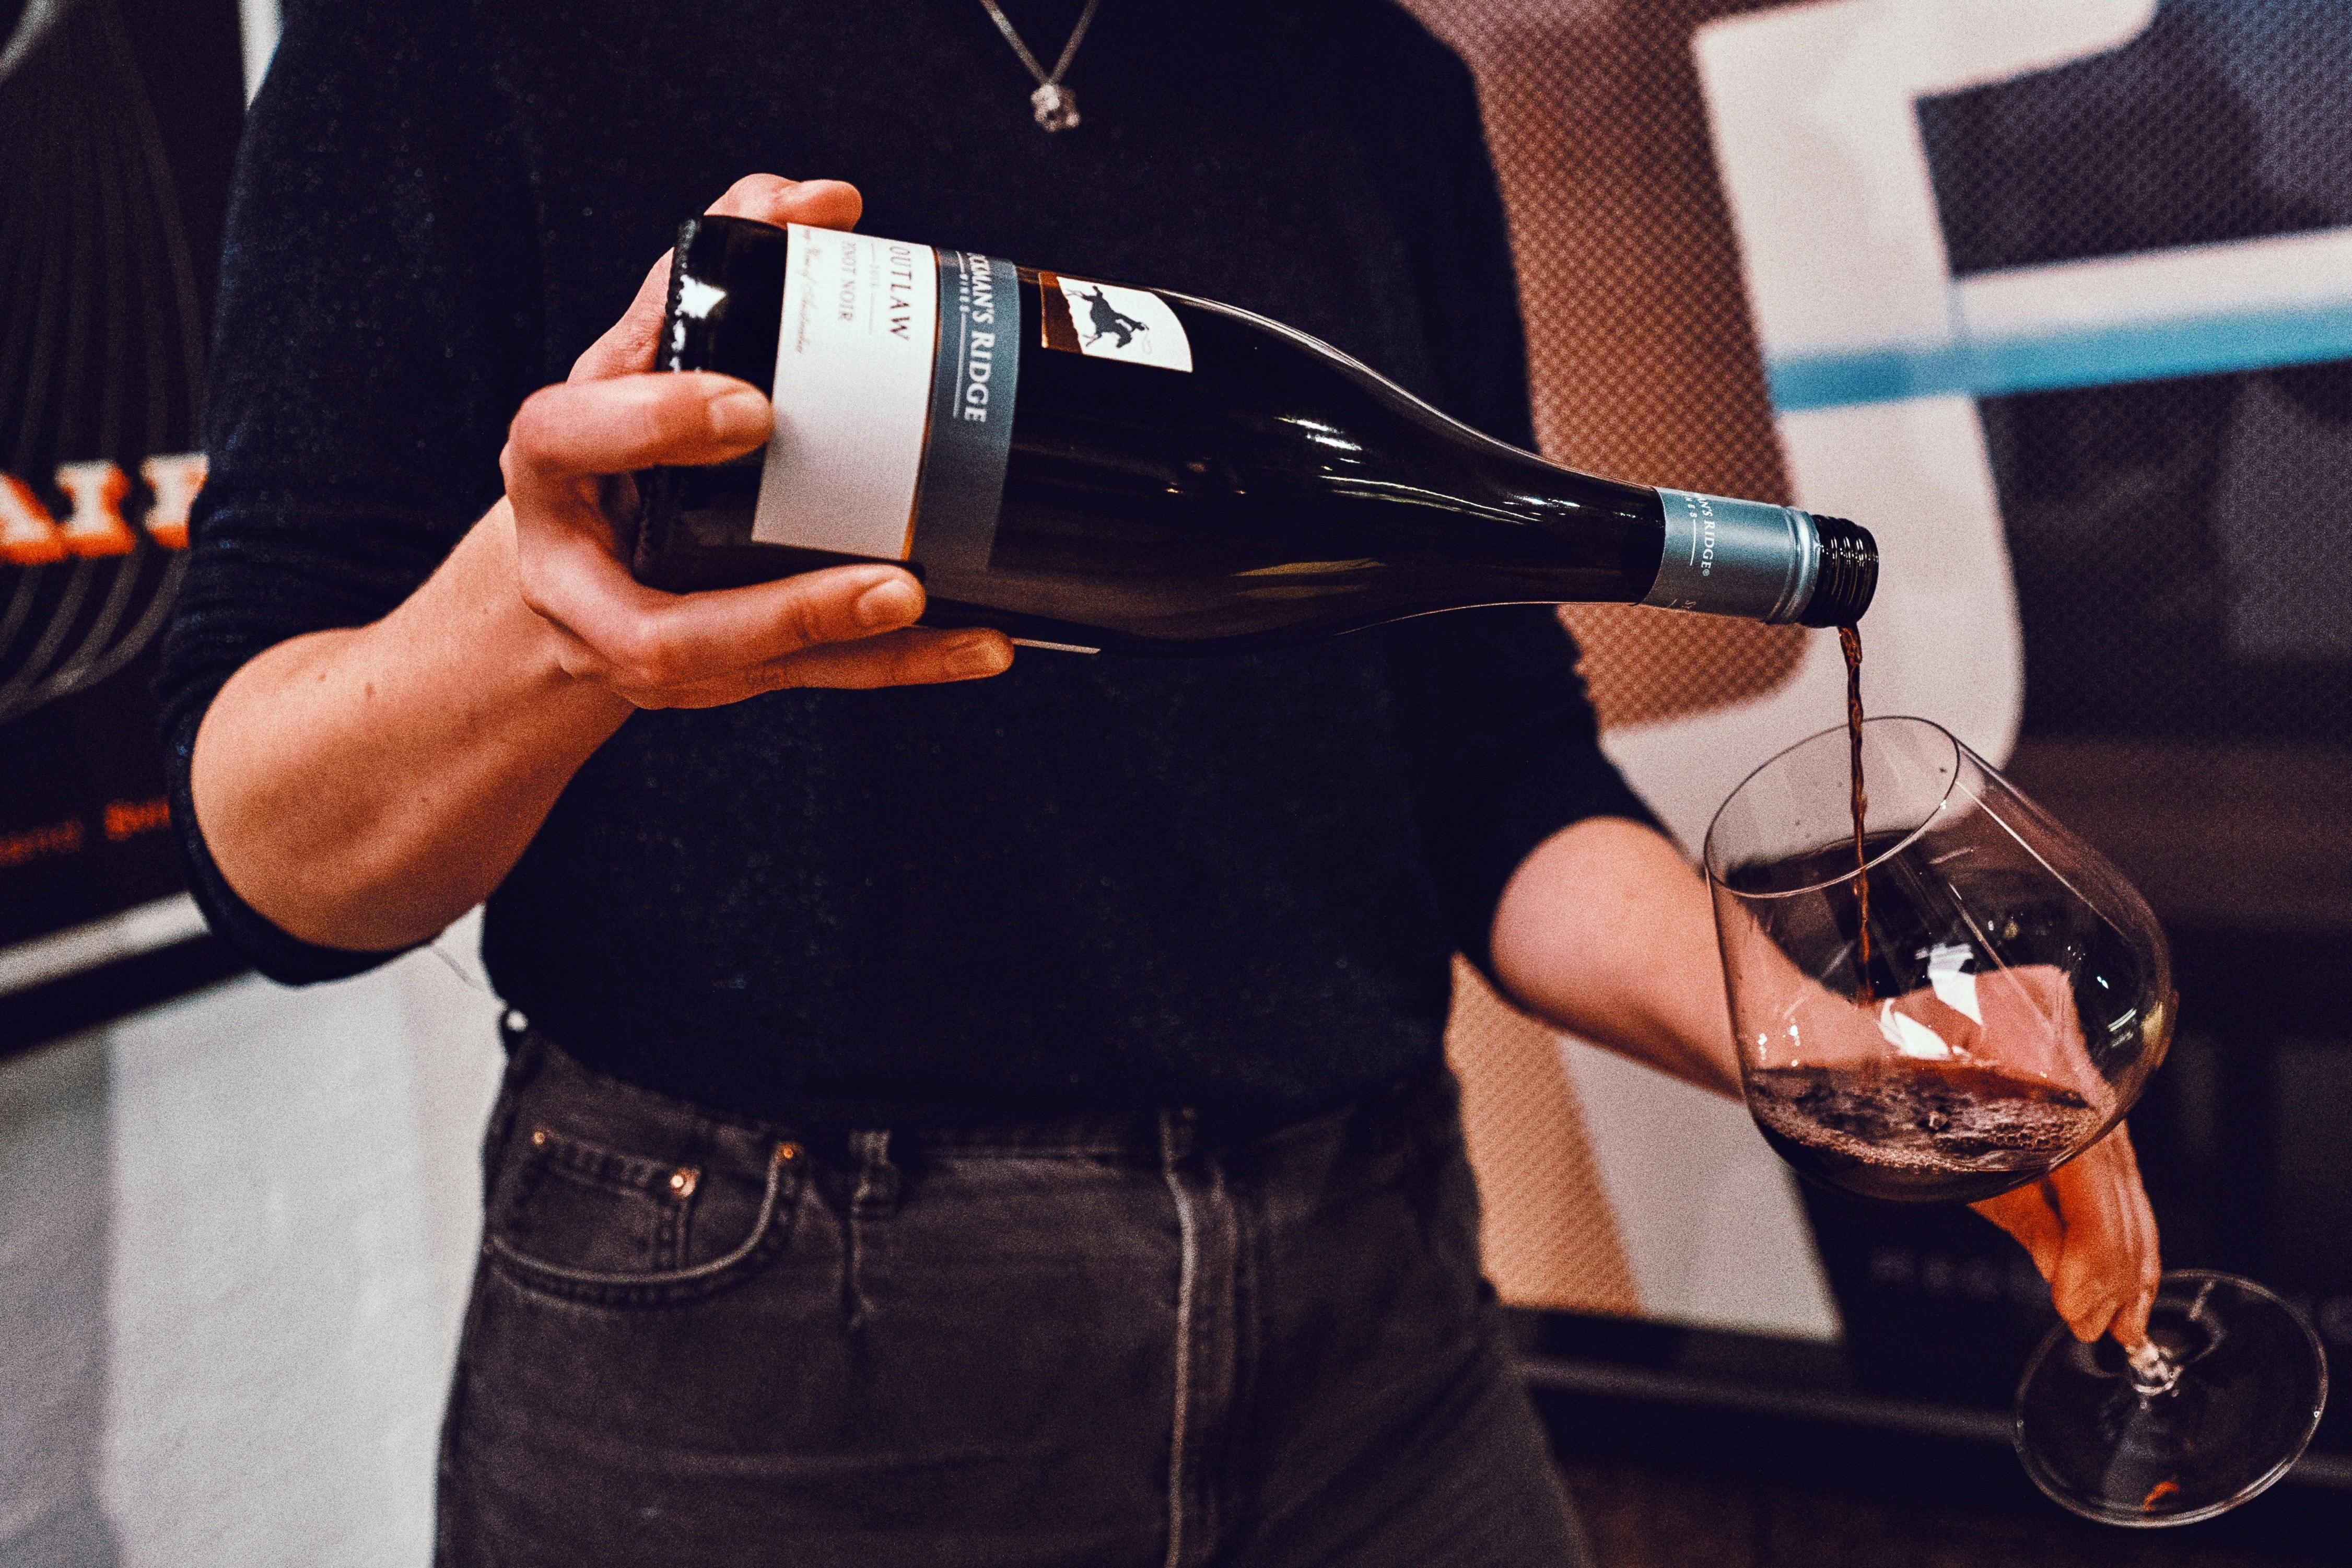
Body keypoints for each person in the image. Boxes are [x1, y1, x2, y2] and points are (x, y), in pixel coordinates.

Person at [159, 2, 2161, 1563]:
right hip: (754, 1355)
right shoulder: (476, 32)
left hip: (1372, 1321)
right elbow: (271, 861)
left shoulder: (1364, 84)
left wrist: (1832, 1041)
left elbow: (1493, 773)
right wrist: (537, 629)